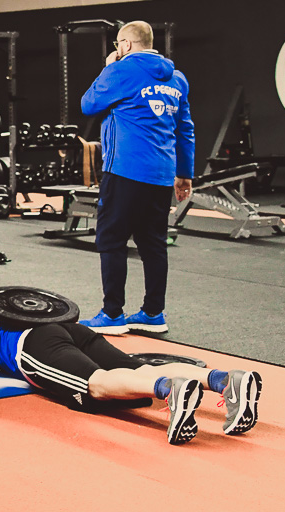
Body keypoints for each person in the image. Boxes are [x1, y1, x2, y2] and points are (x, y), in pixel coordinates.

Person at [0, 295, 262, 444]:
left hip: (34, 346)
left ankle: (170, 390)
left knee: (96, 385)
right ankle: (225, 380)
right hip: (71, 328)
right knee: (137, 368)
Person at [79, 21, 194, 335]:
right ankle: (153, 313)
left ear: (125, 45)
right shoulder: (177, 78)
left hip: (125, 171)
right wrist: (184, 174)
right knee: (153, 244)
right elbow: (185, 130)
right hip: (161, 174)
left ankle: (112, 314)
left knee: (111, 240)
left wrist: (107, 68)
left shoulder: (120, 71)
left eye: (118, 45)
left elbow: (88, 104)